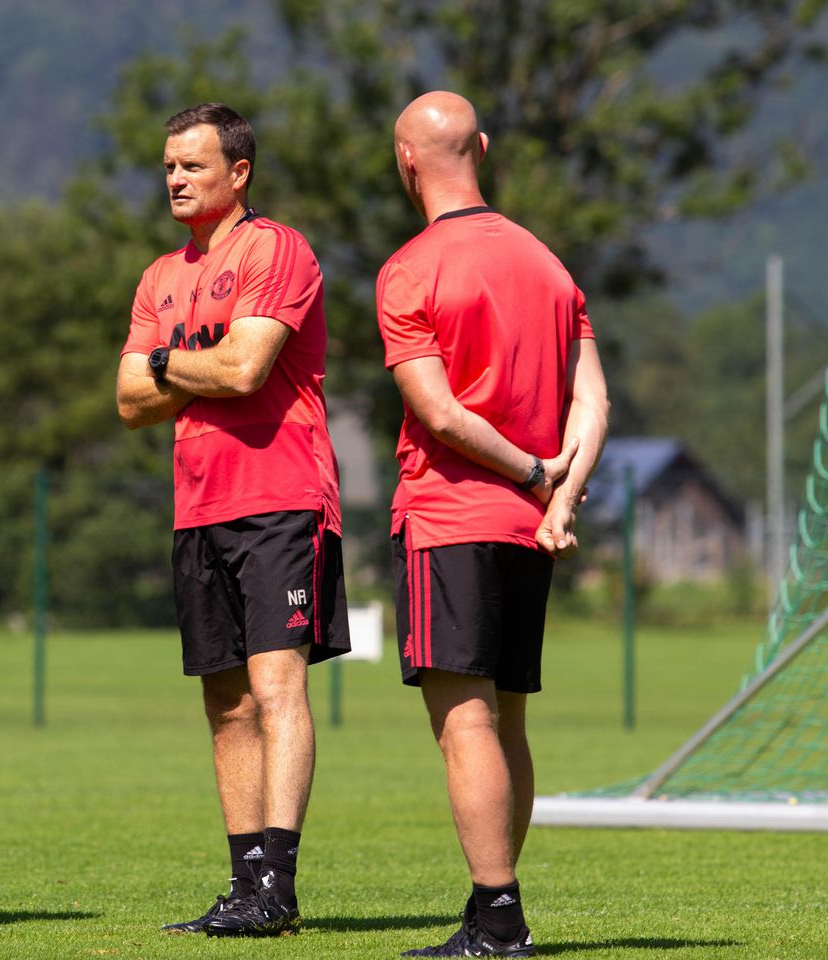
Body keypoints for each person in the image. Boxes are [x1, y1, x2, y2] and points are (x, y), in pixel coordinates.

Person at [376, 92, 609, 958]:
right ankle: (492, 912)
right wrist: (558, 497)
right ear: (484, 145)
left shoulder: (409, 269)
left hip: (451, 518)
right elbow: (594, 399)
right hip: (528, 531)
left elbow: (436, 413)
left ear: (406, 161)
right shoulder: (549, 264)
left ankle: (499, 917)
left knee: (464, 724)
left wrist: (532, 472)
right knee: (508, 722)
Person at [116, 102, 351, 938]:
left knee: (275, 684)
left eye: (193, 165)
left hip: (280, 498)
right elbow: (129, 402)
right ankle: (245, 881)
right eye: (169, 165)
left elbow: (247, 368)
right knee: (224, 700)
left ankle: (278, 886)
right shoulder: (158, 277)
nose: (175, 178)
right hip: (197, 505)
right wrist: (181, 368)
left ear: (238, 173)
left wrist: (159, 361)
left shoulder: (277, 248)